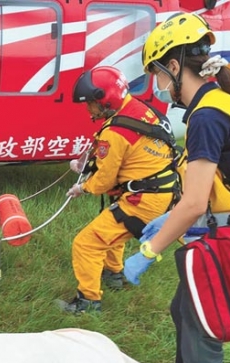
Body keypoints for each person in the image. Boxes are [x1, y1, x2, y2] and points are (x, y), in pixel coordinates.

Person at [124, 12, 230, 363]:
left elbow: (193, 203)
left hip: (226, 240)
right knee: (182, 309)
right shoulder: (224, 102)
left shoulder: (206, 117)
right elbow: (205, 189)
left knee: (205, 352)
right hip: (227, 227)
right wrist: (172, 216)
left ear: (173, 67)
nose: (155, 83)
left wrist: (149, 249)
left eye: (156, 72)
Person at [58, 66, 181, 314]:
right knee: (112, 226)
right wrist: (87, 161)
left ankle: (88, 302)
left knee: (87, 243)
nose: (88, 109)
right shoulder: (140, 110)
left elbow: (103, 181)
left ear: (104, 101)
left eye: (90, 103)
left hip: (144, 199)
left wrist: (82, 187)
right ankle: (113, 275)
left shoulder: (116, 131)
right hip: (162, 191)